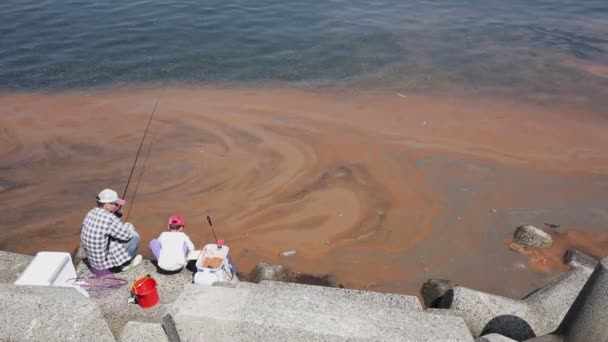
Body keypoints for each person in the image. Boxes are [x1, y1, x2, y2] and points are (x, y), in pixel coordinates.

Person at [80, 188, 142, 275]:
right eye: (115, 204)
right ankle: (125, 264)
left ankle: (118, 261)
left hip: (93, 261)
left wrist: (115, 215)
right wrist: (129, 225)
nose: (117, 205)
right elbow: (126, 235)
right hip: (103, 265)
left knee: (115, 236)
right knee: (135, 236)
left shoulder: (91, 212)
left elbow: (103, 225)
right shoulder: (109, 218)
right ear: (107, 205)